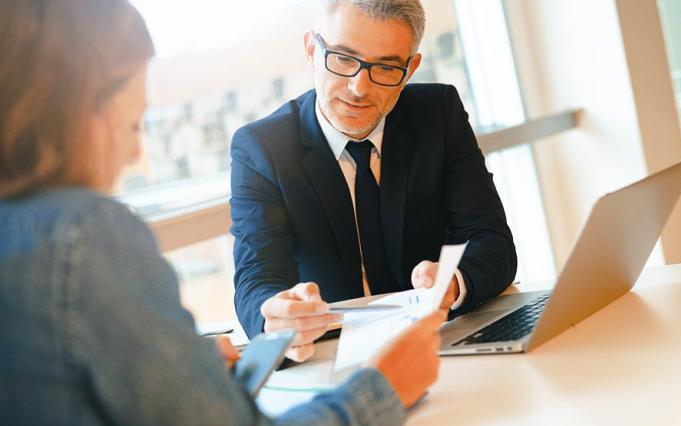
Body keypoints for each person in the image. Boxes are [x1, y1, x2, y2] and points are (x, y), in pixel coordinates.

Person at [0, 1, 444, 424]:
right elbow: (255, 278)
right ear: (74, 111)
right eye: (133, 125)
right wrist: (383, 388)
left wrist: (178, 369)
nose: (135, 153)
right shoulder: (89, 237)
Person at [231, 0, 517, 361]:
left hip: (440, 344)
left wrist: (453, 282)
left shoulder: (438, 114)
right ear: (311, 50)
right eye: (343, 59)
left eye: (385, 67)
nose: (359, 88)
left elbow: (491, 240)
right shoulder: (262, 148)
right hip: (332, 358)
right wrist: (276, 316)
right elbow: (256, 278)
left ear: (411, 69)